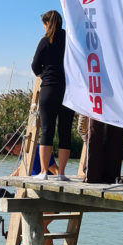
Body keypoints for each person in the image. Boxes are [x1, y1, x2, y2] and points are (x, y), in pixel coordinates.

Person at [31, 10, 74, 181]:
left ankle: (43, 172)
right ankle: (62, 173)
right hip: (68, 89)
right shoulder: (70, 40)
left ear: (47, 24)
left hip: (49, 88)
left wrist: (43, 74)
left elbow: (35, 65)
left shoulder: (45, 41)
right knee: (65, 131)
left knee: (47, 131)